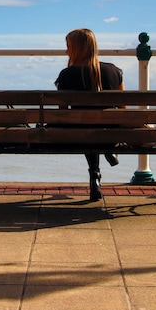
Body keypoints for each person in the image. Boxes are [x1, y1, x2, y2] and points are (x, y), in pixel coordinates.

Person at [54, 28, 124, 201]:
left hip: (79, 133)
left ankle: (94, 174)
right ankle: (106, 150)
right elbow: (123, 109)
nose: (66, 51)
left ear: (78, 48)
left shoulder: (66, 75)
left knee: (85, 128)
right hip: (109, 132)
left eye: (68, 46)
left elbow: (62, 112)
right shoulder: (113, 71)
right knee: (98, 127)